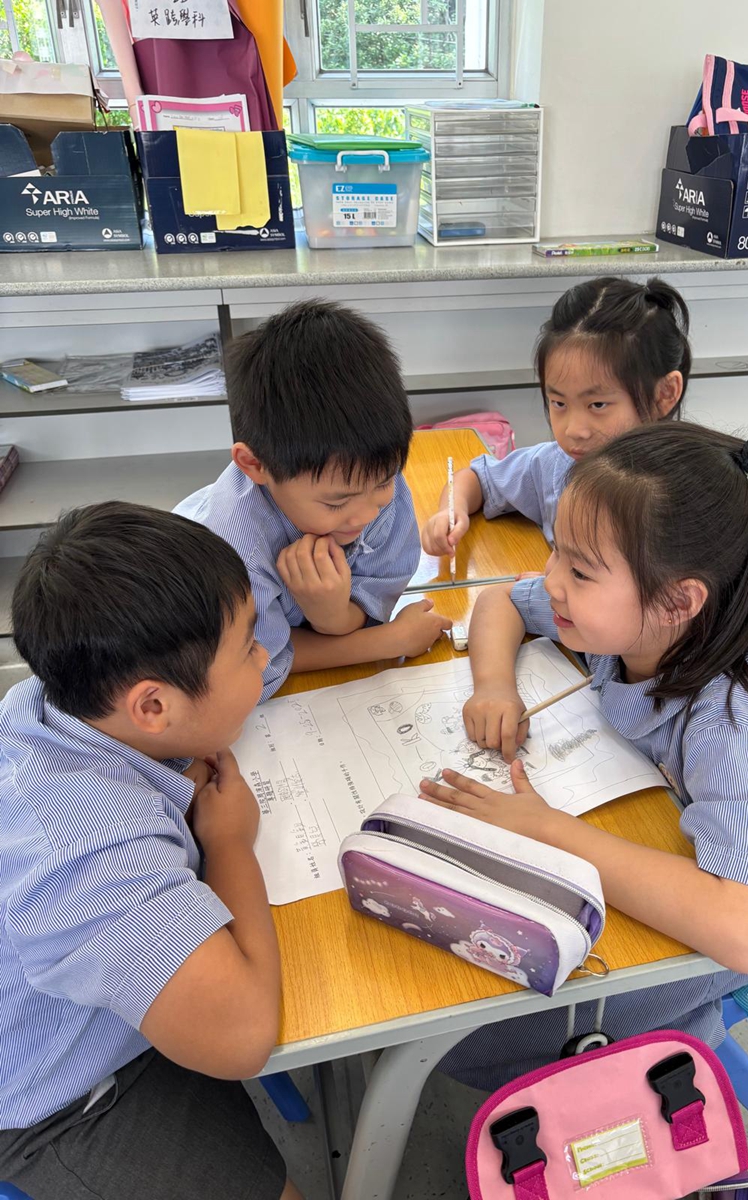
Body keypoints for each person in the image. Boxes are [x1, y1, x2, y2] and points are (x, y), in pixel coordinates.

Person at [419, 422, 748, 1091]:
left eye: (579, 571)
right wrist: (494, 685)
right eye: (557, 551)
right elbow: (501, 600)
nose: (552, 582)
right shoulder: (629, 624)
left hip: (690, 949)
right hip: (647, 838)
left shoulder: (736, 729)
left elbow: (744, 931)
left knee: (451, 1022)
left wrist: (549, 830)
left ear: (678, 600)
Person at [0, 502, 303, 1200]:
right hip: (58, 1098)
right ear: (154, 707)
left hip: (97, 1001)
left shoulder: (48, 701)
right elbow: (242, 1037)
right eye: (248, 647)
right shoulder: (88, 853)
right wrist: (228, 843)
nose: (264, 656)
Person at [177, 299, 450, 702]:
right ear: (255, 465)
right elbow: (254, 664)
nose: (367, 513)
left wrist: (332, 614)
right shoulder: (231, 550)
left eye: (383, 483)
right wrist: (390, 641)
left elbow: (372, 599)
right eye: (336, 503)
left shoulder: (369, 479)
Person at [421, 276, 691, 556]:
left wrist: (548, 580)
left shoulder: (682, 502)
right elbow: (478, 479)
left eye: (597, 405)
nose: (574, 430)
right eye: (559, 403)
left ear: (665, 394)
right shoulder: (556, 465)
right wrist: (451, 511)